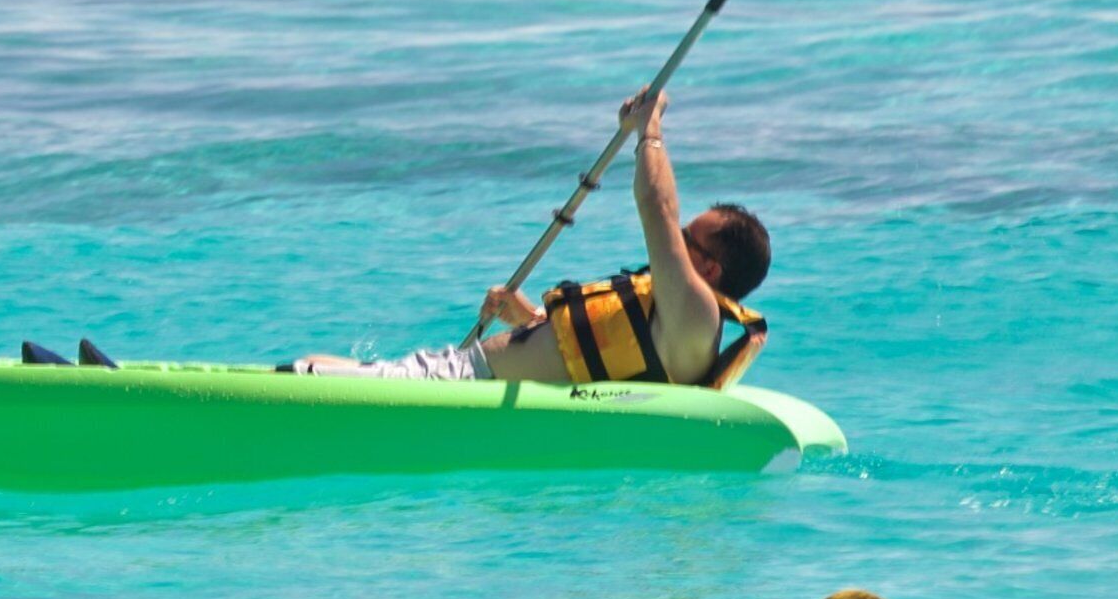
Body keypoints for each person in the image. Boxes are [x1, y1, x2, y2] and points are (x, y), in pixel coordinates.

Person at [292, 87, 771, 386]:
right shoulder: (671, 318)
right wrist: (528, 318)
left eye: (688, 237)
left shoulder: (696, 314)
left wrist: (651, 126)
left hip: (465, 387)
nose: (676, 237)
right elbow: (587, 359)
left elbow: (656, 208)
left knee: (306, 373)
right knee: (315, 364)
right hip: (465, 375)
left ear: (710, 268)